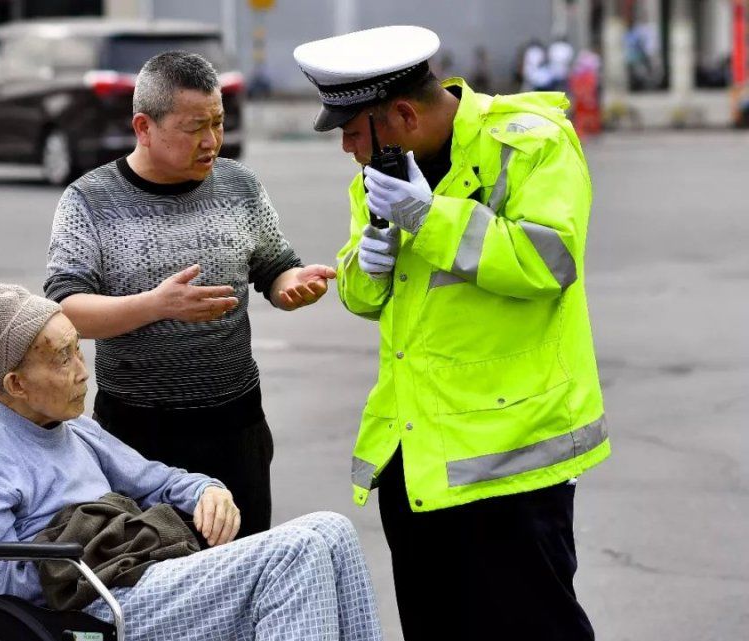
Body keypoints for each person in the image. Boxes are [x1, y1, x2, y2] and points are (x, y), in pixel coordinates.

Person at [293, 26, 610, 641]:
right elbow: (366, 299)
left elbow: (550, 263)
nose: (347, 150)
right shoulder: (379, 174)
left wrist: (429, 218)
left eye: (352, 132)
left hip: (510, 462)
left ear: (404, 114)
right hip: (417, 458)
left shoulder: (532, 145)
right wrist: (370, 260)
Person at [0, 284, 382, 641]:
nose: (83, 371)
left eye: (79, 350)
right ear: (15, 384)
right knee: (294, 552)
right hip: (90, 606)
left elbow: (158, 480)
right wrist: (90, 548)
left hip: (139, 575)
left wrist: (205, 490)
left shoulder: (76, 428)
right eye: (63, 358)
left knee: (332, 529)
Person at [44, 52, 336, 539]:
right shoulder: (89, 200)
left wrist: (293, 287)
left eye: (218, 123)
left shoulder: (240, 186)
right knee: (151, 584)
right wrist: (155, 305)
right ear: (144, 126)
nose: (212, 141)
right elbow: (67, 311)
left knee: (244, 576)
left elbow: (275, 266)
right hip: (135, 437)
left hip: (236, 426)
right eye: (194, 127)